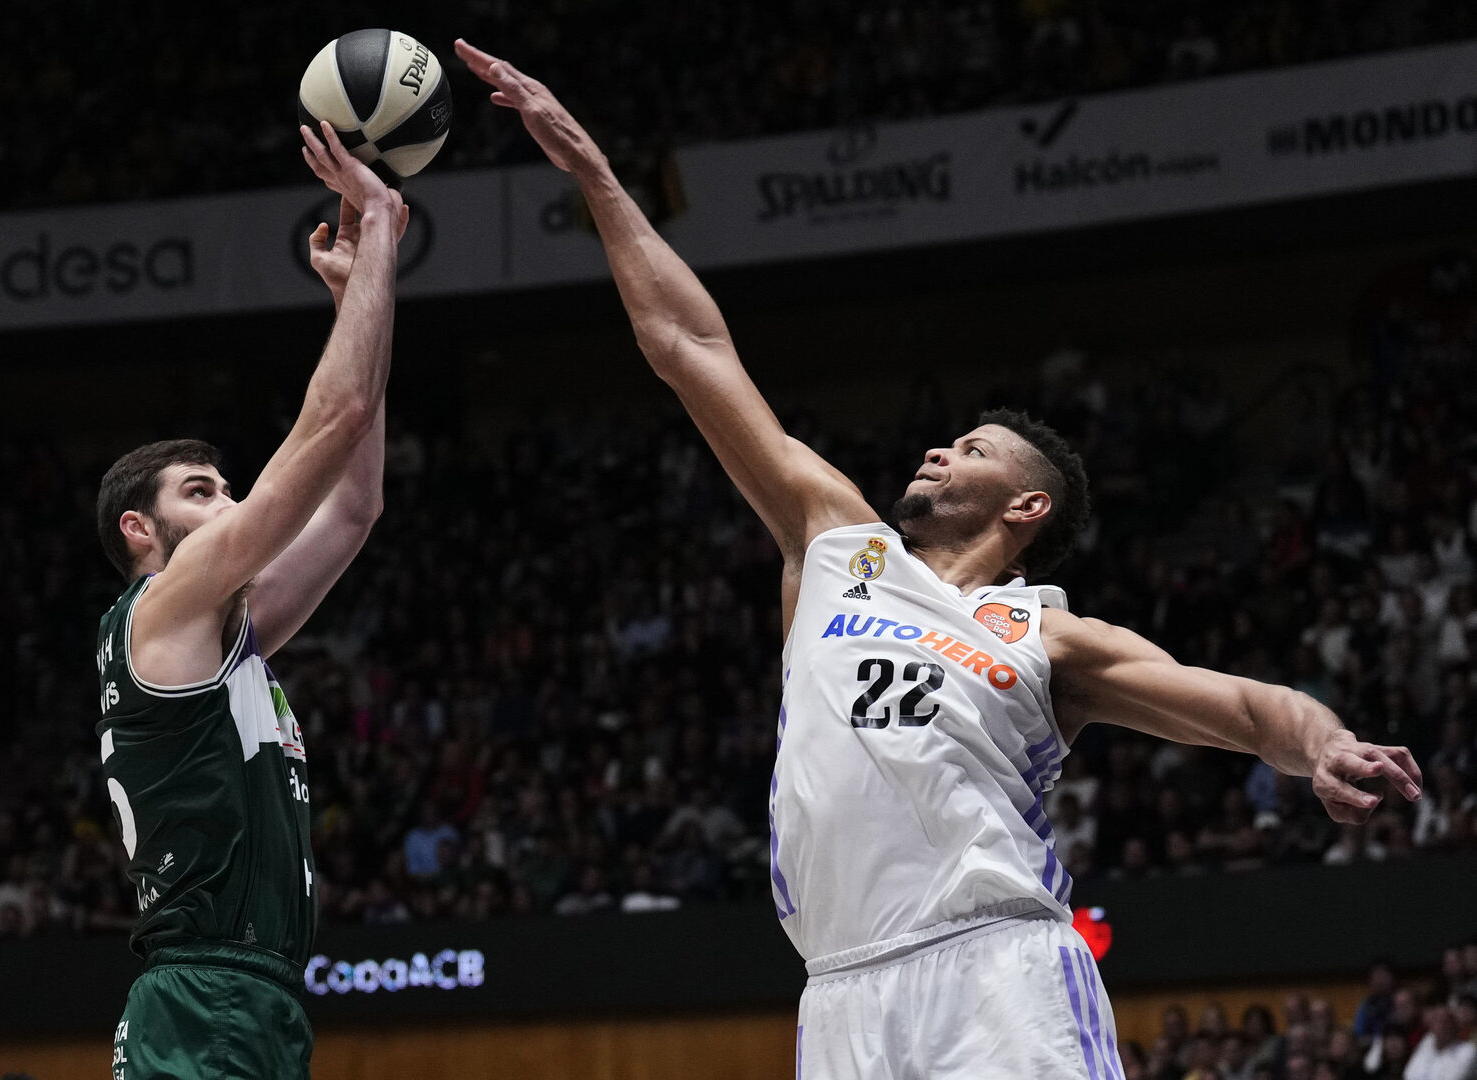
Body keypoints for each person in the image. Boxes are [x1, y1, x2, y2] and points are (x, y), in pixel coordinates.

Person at [453, 39, 1426, 1079]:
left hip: (997, 968)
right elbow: (691, 350)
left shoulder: (1051, 636)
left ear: (1026, 505)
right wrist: (596, 174)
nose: (937, 450)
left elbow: (1248, 708)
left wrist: (1325, 744)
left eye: (972, 449)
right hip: (839, 990)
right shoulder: (836, 544)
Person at [92, 122, 410, 1080]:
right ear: (139, 530)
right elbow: (334, 416)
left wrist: (357, 296)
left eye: (228, 488)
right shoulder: (163, 609)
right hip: (207, 997)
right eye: (201, 492)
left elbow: (354, 506)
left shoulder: (223, 633)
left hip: (254, 995)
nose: (229, 504)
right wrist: (380, 234)